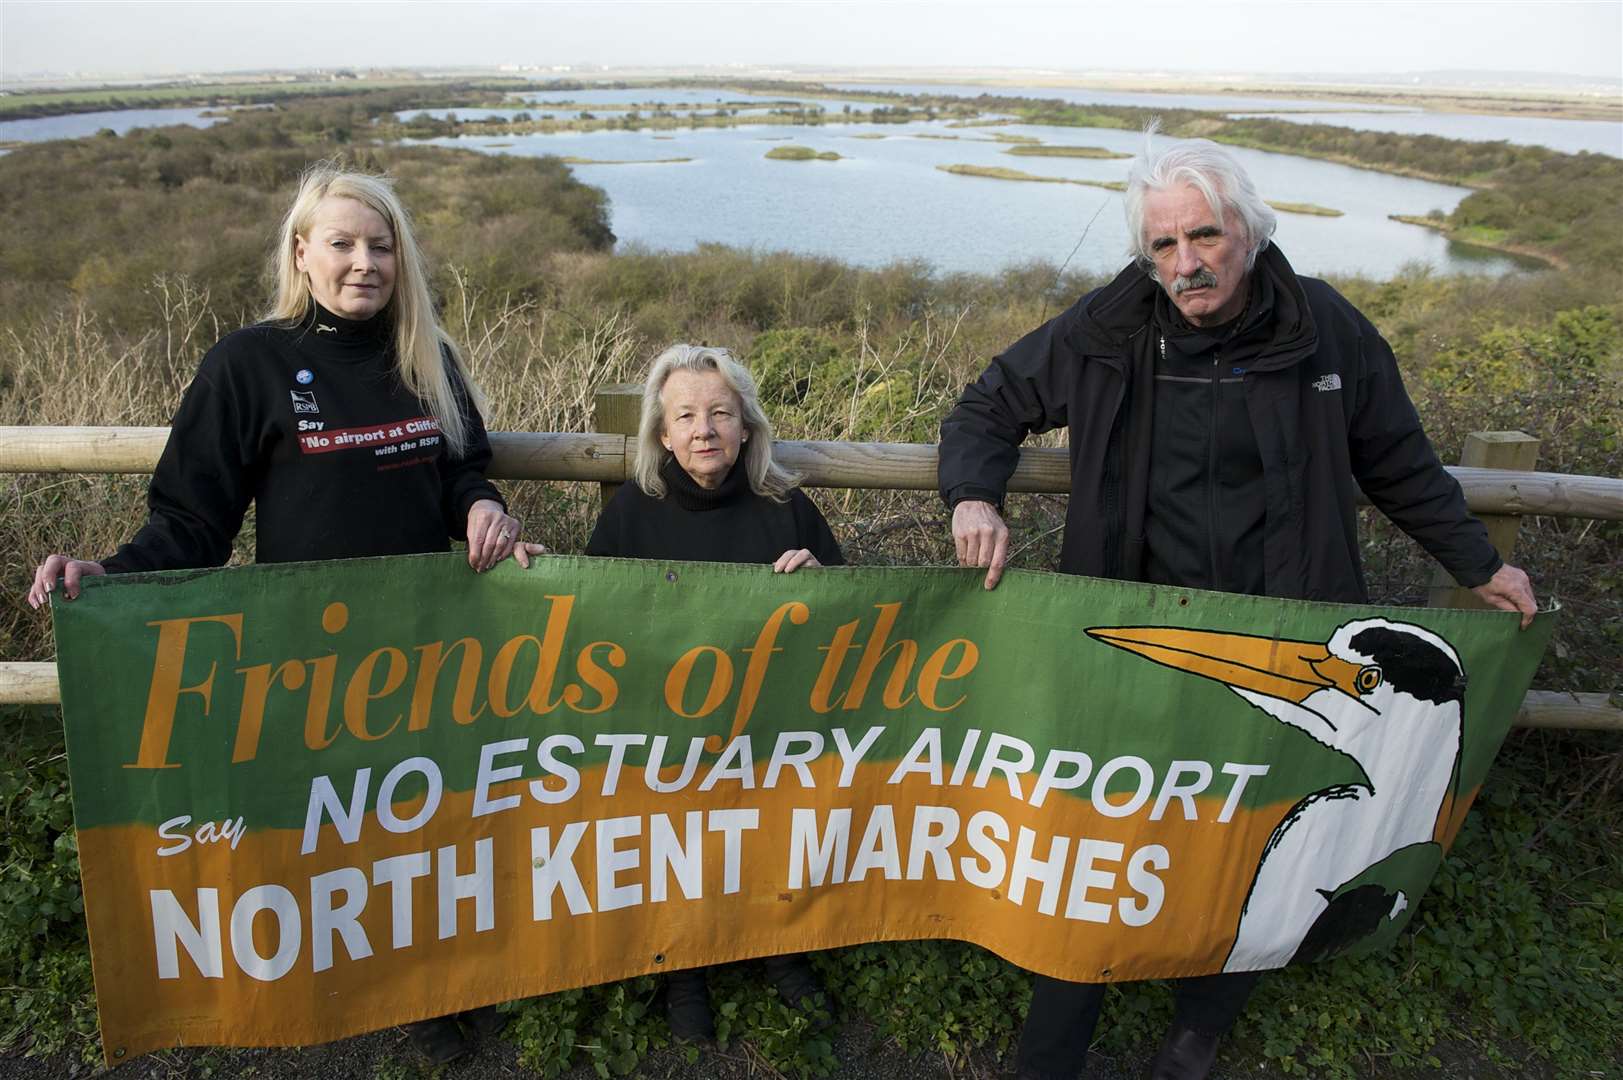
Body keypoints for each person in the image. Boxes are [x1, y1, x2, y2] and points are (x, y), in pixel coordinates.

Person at [936, 131, 1536, 1080]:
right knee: (1105, 829)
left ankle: (1197, 1028)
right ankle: (1050, 1051)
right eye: (1163, 247)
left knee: (1251, 829)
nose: (1185, 263)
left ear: (1248, 235)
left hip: (1284, 639)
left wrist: (1476, 561)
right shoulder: (1106, 328)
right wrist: (974, 494)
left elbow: (1398, 463)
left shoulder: (1325, 331)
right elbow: (985, 407)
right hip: (1137, 639)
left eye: (1202, 237)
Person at [26, 162, 529, 1065]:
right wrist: (107, 574)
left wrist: (481, 507)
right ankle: (346, 987)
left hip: (429, 641)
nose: (363, 263)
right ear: (302, 253)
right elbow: (192, 519)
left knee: (423, 821)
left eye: (380, 246)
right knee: (338, 830)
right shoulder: (246, 363)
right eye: (341, 243)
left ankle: (436, 984)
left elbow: (459, 471)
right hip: (313, 654)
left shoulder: (426, 355)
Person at [579, 343, 841, 1040]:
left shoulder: (786, 506)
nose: (704, 430)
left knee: (777, 829)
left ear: (746, 427)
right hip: (666, 734)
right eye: (687, 416)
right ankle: (682, 969)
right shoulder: (634, 511)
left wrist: (823, 581)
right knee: (671, 836)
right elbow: (590, 621)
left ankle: (779, 953)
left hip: (768, 728)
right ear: (661, 434)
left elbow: (852, 615)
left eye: (720, 413)